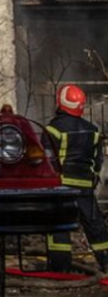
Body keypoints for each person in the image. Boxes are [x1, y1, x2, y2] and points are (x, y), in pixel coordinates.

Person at [45, 83, 108, 272]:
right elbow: (98, 161)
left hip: (62, 187)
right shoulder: (93, 130)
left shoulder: (53, 130)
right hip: (85, 187)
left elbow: (48, 160)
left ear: (60, 102)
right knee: (95, 225)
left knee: (59, 226)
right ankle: (105, 261)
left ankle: (59, 266)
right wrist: (93, 177)